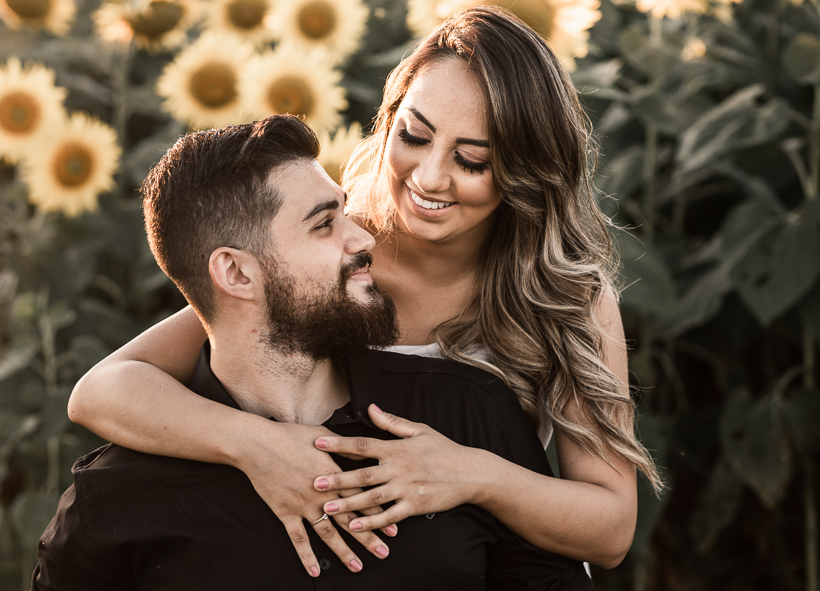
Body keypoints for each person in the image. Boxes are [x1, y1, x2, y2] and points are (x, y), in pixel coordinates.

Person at [67, 6, 662, 578]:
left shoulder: (564, 298)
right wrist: (257, 446)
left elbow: (610, 530)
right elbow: (103, 391)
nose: (429, 177)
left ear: (526, 172)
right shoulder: (341, 255)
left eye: (472, 160)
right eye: (414, 135)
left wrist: (471, 475)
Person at [32, 115, 593, 590]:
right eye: (325, 224)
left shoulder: (467, 417)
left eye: (346, 213)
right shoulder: (115, 502)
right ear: (234, 272)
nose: (365, 239)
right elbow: (96, 391)